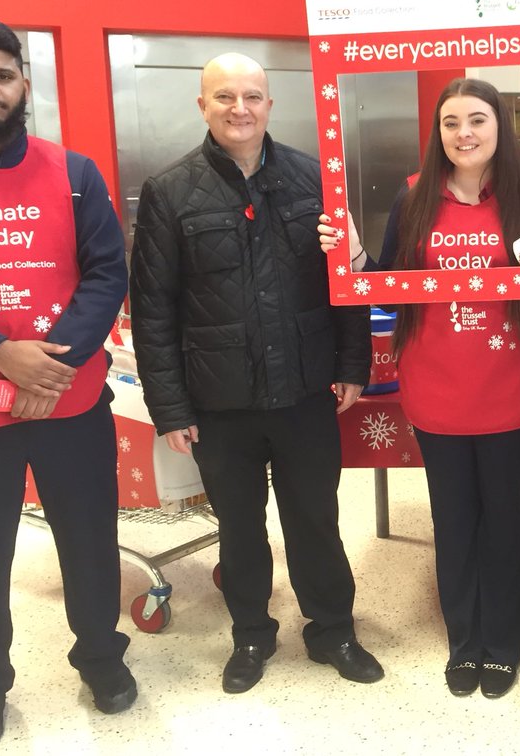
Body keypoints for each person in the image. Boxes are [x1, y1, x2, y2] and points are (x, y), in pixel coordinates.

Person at [129, 53, 381, 695]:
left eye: (252, 96)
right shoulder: (169, 192)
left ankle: (333, 630)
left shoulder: (314, 178)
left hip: (304, 390)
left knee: (315, 519)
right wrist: (171, 407)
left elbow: (345, 280)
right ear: (202, 105)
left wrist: (355, 362)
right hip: (220, 401)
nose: (239, 108)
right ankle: (250, 636)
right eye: (224, 97)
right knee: (239, 528)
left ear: (270, 104)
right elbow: (153, 309)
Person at [0, 19, 136, 749]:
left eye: (3, 76)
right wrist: (1, 353)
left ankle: (101, 655)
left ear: (24, 86)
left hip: (69, 400)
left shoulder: (74, 174)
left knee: (89, 536)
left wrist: (55, 362)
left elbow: (108, 272)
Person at [318, 77, 520, 699]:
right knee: (453, 523)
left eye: (477, 120)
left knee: (504, 522)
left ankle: (504, 643)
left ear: (498, 128)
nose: (464, 133)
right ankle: (465, 642)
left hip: (509, 387)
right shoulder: (413, 202)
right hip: (435, 389)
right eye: (452, 122)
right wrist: (351, 261)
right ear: (438, 133)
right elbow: (389, 287)